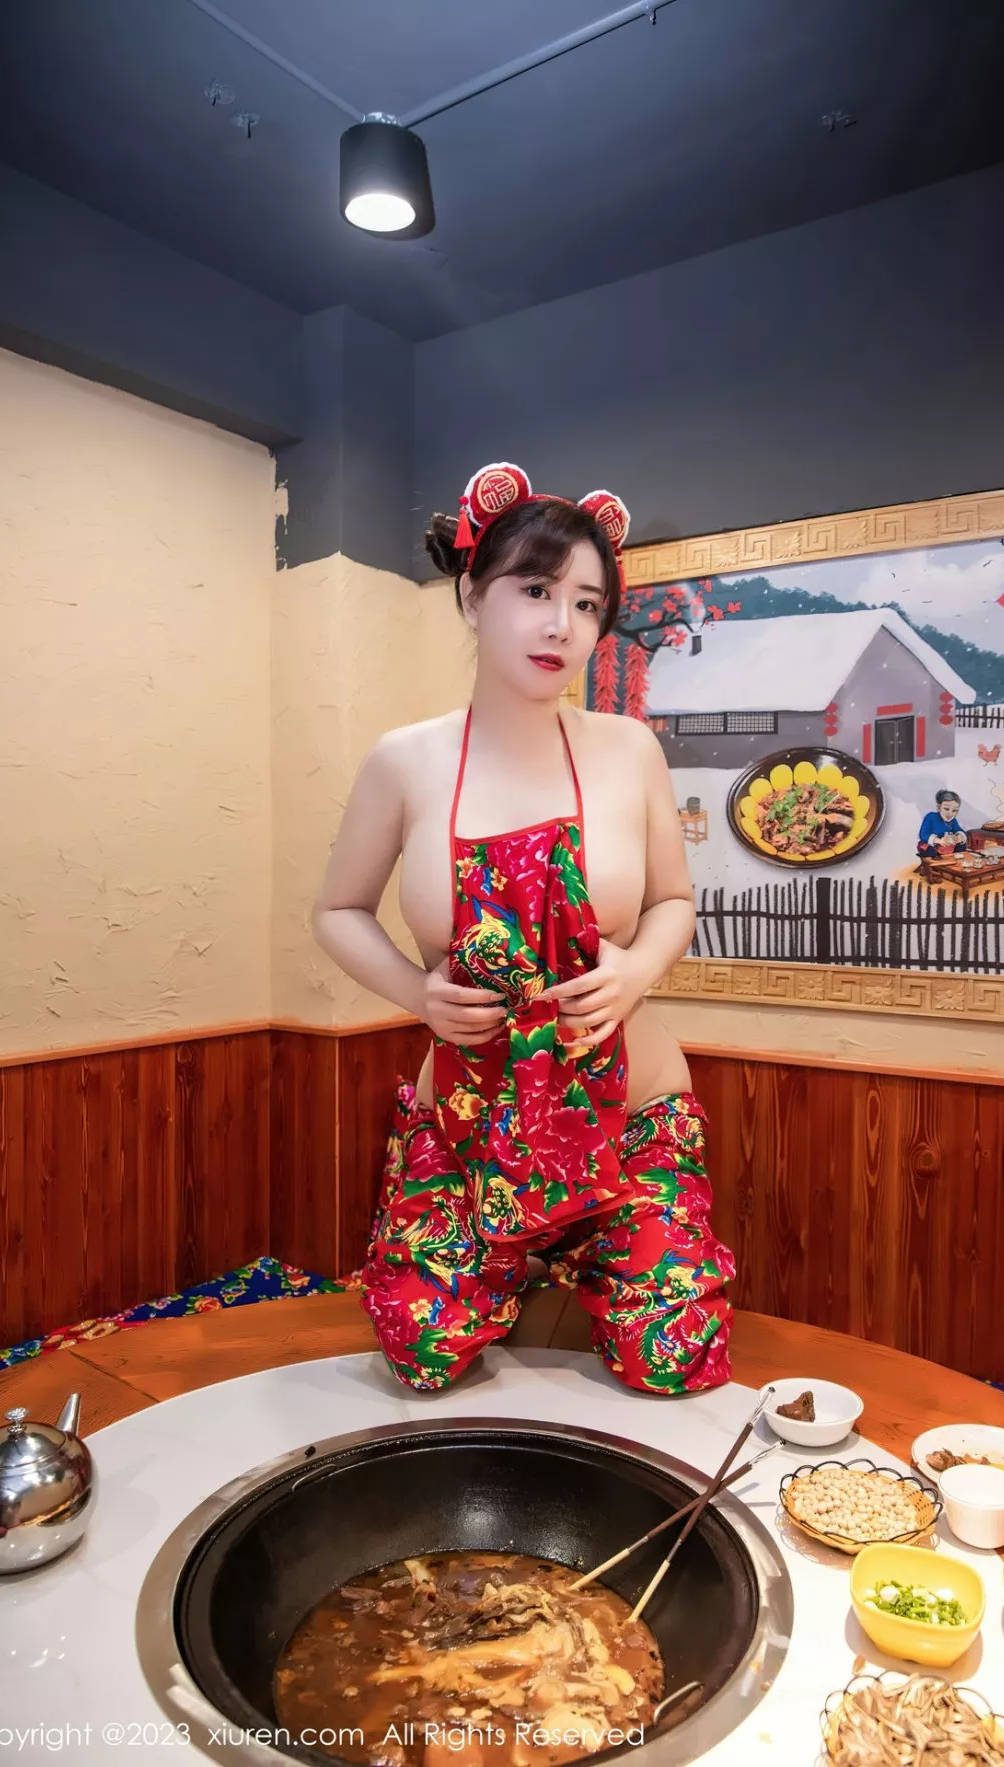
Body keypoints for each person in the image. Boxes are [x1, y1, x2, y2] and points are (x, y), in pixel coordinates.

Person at [312, 462, 734, 1396]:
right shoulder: (405, 761)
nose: (562, 626)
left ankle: (591, 1266)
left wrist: (635, 973)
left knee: (672, 1360)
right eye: (536, 591)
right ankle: (502, 1269)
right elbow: (337, 911)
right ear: (473, 595)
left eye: (587, 604)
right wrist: (417, 994)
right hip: (470, 1128)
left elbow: (673, 901)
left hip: (627, 1120)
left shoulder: (629, 748)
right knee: (422, 1354)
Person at [916, 790, 968, 858]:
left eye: (954, 810)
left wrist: (958, 837)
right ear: (938, 807)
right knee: (930, 850)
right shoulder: (931, 817)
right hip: (932, 845)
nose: (950, 813)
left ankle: (956, 859)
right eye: (946, 809)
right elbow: (923, 835)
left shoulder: (953, 820)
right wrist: (938, 840)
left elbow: (958, 830)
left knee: (962, 844)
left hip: (945, 847)